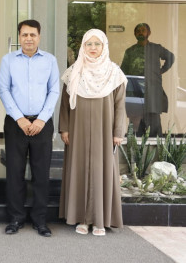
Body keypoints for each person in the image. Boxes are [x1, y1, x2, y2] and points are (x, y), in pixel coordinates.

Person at [59, 29, 127, 236]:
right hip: (77, 131)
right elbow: (64, 104)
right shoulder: (73, 72)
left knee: (101, 171)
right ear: (83, 46)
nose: (93, 48)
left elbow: (120, 106)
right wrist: (65, 128)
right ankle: (81, 218)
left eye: (97, 44)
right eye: (89, 44)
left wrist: (118, 132)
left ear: (104, 46)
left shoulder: (114, 73)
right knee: (78, 169)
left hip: (105, 132)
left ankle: (100, 220)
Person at [0, 19, 60, 237]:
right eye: (24, 35)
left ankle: (40, 220)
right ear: (19, 37)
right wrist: (20, 119)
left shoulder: (50, 60)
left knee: (41, 174)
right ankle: (15, 218)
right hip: (16, 124)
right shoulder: (8, 60)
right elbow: (4, 90)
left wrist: (42, 119)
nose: (28, 39)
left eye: (32, 35)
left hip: (42, 124)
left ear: (39, 37)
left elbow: (54, 91)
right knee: (14, 173)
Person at [120, 23, 175, 136]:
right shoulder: (130, 51)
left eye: (143, 30)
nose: (140, 32)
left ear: (149, 33)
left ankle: (156, 153)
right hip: (135, 93)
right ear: (135, 34)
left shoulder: (156, 48)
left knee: (154, 127)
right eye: (138, 30)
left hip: (152, 92)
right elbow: (123, 71)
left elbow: (171, 57)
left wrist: (161, 70)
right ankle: (136, 153)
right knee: (135, 128)